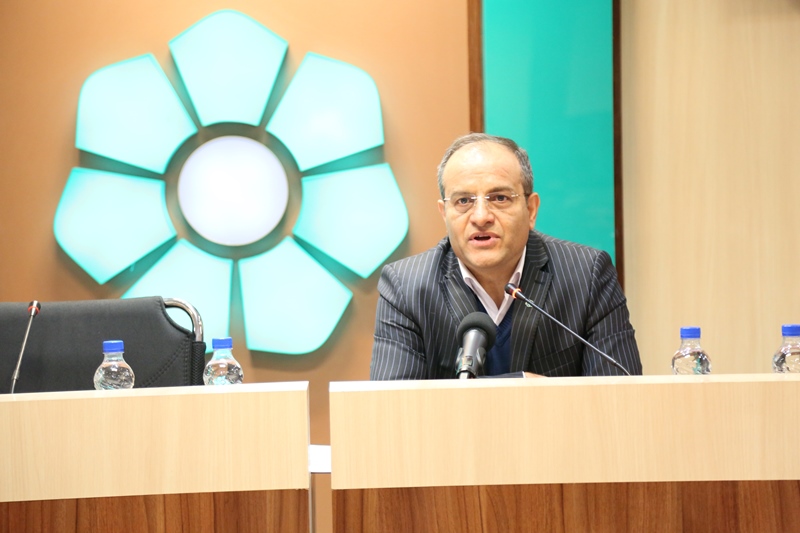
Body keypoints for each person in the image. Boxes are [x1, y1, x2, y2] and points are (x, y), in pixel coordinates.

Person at [370, 133, 642, 379]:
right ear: (445, 214)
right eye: (463, 201)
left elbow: (621, 398)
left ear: (531, 209)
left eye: (499, 198)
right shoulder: (406, 287)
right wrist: (521, 384)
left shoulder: (587, 275)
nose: (481, 217)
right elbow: (392, 407)